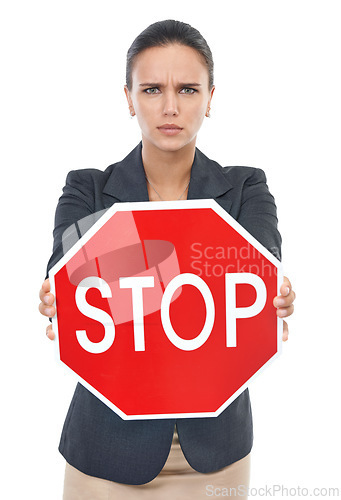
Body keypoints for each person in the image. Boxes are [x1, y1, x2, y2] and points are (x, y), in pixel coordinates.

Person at [39, 19, 295, 499]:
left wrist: (269, 294)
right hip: (105, 453)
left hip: (215, 455)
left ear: (211, 98)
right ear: (130, 97)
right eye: (153, 89)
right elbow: (68, 277)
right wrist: (66, 297)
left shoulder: (246, 188)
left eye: (189, 89)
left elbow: (258, 273)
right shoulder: (86, 189)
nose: (171, 107)